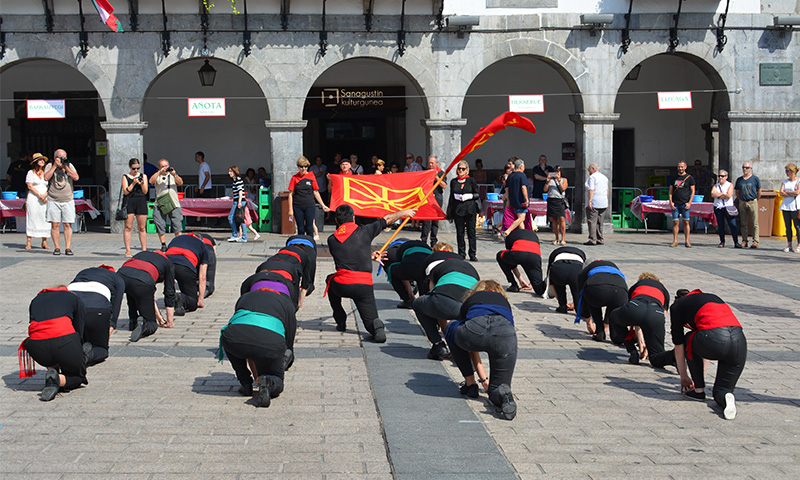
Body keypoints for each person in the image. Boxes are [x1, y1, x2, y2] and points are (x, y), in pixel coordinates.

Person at [327, 205, 416, 342]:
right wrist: (404, 212)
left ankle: (340, 320)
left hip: (342, 284)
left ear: (336, 221)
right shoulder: (365, 231)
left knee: (329, 280)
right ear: (354, 218)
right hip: (364, 285)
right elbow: (387, 219)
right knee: (371, 321)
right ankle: (376, 327)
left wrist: (369, 256)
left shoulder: (332, 240)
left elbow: (348, 256)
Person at [444, 280, 517, 420]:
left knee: (452, 327)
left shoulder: (472, 299)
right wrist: (485, 381)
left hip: (474, 331)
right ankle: (504, 395)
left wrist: (478, 379)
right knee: (497, 388)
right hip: (504, 336)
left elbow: (469, 341)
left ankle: (470, 383)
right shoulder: (503, 302)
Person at [670, 289, 747, 420]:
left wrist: (684, 376)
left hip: (714, 338)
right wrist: (700, 372)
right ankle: (727, 398)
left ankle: (699, 391)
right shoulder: (712, 297)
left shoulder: (677, 306)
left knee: (689, 338)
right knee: (721, 390)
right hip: (739, 341)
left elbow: (679, 345)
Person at [218, 288, 297, 408]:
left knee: (235, 346)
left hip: (234, 336)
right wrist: (282, 362)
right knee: (278, 381)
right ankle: (269, 383)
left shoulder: (245, 297)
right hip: (270, 340)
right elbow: (289, 341)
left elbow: (241, 322)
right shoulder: (285, 302)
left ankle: (245, 384)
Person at [18, 286, 87, 401]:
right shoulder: (73, 297)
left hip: (36, 347)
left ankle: (52, 370)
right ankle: (58, 380)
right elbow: (79, 329)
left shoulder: (36, 299)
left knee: (49, 340)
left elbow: (33, 326)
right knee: (78, 377)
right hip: (65, 342)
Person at [413, 250, 480, 360]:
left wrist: (436, 315)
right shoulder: (470, 267)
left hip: (445, 299)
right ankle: (464, 351)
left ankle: (437, 345)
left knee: (418, 304)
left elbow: (432, 292)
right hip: (469, 307)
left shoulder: (436, 268)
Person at [609, 272, 674, 368]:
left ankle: (632, 351)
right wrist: (649, 343)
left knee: (614, 316)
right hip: (656, 313)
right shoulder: (663, 290)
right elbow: (662, 317)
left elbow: (636, 320)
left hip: (636, 307)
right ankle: (673, 356)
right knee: (656, 357)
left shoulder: (636, 286)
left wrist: (641, 342)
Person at [67, 265, 126, 365]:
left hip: (71, 303)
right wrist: (111, 327)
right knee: (101, 349)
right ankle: (89, 355)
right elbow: (116, 306)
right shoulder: (117, 278)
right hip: (97, 306)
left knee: (77, 341)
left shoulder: (84, 271)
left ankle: (72, 353)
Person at [118, 250, 177, 341]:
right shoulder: (168, 264)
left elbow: (148, 297)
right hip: (143, 281)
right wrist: (169, 321)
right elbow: (169, 293)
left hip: (122, 275)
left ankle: (133, 320)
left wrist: (159, 315)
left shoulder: (142, 254)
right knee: (152, 324)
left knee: (132, 291)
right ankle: (145, 326)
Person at [576, 259, 627, 341]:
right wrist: (607, 323)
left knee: (592, 300)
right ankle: (617, 337)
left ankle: (600, 332)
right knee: (613, 304)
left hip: (597, 290)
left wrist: (589, 322)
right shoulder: (613, 266)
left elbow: (583, 299)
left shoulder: (584, 272)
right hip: (620, 293)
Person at [44, 148, 79, 256]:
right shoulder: (50, 166)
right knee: (55, 224)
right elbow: (46, 178)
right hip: (53, 199)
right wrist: (55, 166)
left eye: (64, 157)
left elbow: (76, 177)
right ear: (55, 158)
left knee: (67, 224)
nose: (63, 159)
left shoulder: (69, 165)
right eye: (60, 157)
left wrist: (66, 168)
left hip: (67, 199)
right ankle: (57, 247)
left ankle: (68, 247)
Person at [381, 239, 432, 309]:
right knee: (423, 275)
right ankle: (424, 301)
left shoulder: (393, 253)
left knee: (392, 270)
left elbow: (403, 274)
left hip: (409, 265)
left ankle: (408, 301)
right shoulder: (425, 247)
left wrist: (410, 295)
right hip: (426, 266)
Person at [166, 233, 208, 315]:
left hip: (167, 264)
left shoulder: (177, 238)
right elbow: (202, 277)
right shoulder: (202, 246)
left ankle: (172, 299)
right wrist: (200, 300)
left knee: (169, 280)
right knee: (192, 303)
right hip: (185, 267)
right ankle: (182, 298)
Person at [496, 228, 546, 295]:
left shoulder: (511, 236)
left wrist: (520, 279)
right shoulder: (533, 235)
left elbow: (511, 264)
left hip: (517, 254)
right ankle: (550, 284)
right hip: (534, 257)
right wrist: (532, 282)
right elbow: (534, 264)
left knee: (500, 255)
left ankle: (513, 285)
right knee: (539, 289)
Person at [288, 156, 330, 237]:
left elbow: (316, 191)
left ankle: (310, 245)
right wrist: (290, 209)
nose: (303, 168)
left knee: (310, 227)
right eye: (301, 166)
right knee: (300, 228)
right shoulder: (294, 178)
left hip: (309, 205)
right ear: (298, 167)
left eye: (305, 166)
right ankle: (301, 245)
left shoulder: (311, 176)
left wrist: (323, 205)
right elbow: (290, 194)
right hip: (298, 205)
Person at [148, 159, 184, 252]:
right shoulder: (157, 176)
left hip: (174, 203)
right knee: (160, 224)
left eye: (166, 166)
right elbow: (151, 181)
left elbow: (180, 182)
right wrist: (159, 172)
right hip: (160, 203)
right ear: (159, 167)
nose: (165, 168)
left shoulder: (172, 175)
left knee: (177, 224)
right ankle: (163, 244)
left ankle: (178, 243)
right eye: (163, 166)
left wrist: (174, 174)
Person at [447, 160, 479, 261]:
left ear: (467, 170)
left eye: (463, 169)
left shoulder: (471, 180)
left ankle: (472, 253)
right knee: (460, 233)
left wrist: (469, 196)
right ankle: (461, 253)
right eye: (459, 168)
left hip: (470, 209)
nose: (461, 170)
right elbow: (451, 197)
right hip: (458, 210)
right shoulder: (454, 181)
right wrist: (450, 212)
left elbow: (477, 194)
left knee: (471, 232)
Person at [122, 158, 149, 256]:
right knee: (128, 226)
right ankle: (128, 250)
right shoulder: (125, 177)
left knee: (142, 227)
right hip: (129, 201)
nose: (136, 170)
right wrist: (133, 183)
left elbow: (145, 191)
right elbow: (126, 191)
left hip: (141, 200)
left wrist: (141, 184)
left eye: (138, 168)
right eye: (134, 168)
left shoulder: (143, 176)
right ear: (130, 167)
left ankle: (144, 250)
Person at [546, 246, 586, 314]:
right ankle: (579, 309)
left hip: (559, 270)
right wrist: (574, 303)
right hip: (576, 271)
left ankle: (562, 306)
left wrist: (559, 300)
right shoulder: (582, 254)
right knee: (577, 290)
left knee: (558, 284)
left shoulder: (554, 254)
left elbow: (551, 283)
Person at [24, 153, 50, 250]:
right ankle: (29, 241)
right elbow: (30, 186)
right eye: (40, 160)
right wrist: (39, 195)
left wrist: (45, 195)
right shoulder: (31, 173)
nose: (42, 161)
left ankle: (44, 241)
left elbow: (50, 186)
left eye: (43, 160)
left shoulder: (46, 173)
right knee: (32, 217)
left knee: (44, 218)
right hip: (34, 198)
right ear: (36, 162)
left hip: (45, 197)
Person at [734, 162, 761, 248]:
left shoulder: (755, 179)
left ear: (750, 169)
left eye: (747, 167)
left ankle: (755, 241)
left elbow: (759, 190)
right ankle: (744, 240)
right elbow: (737, 191)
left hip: (752, 201)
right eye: (743, 167)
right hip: (742, 201)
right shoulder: (739, 180)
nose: (745, 169)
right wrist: (740, 199)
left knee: (754, 222)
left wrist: (756, 198)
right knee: (743, 222)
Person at [668, 160, 695, 248]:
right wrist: (671, 202)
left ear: (685, 167)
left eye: (682, 167)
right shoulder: (674, 178)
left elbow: (693, 191)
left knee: (686, 221)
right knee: (675, 222)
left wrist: (689, 203)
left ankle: (687, 241)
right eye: (679, 167)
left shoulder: (689, 178)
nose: (680, 168)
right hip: (675, 203)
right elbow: (670, 191)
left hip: (685, 203)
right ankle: (675, 241)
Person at [711, 169, 741, 248]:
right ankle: (722, 241)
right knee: (721, 225)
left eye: (722, 176)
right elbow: (712, 194)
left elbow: (729, 195)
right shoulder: (716, 185)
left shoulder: (729, 185)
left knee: (732, 224)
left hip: (728, 207)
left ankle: (736, 242)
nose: (720, 178)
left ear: (726, 177)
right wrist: (722, 194)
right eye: (719, 176)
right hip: (718, 207)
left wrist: (718, 195)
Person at [420, 156, 445, 247]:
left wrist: (437, 178)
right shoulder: (426, 172)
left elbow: (444, 185)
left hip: (437, 198)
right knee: (426, 221)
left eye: (432, 163)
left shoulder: (441, 172)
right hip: (427, 198)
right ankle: (423, 239)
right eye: (429, 163)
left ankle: (433, 240)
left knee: (435, 221)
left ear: (436, 163)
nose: (430, 165)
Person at [584, 162, 609, 246]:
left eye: (589, 169)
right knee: (600, 222)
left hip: (595, 201)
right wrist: (605, 198)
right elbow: (607, 190)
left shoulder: (592, 177)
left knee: (592, 221)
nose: (588, 171)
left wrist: (590, 201)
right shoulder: (604, 177)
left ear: (593, 169)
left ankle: (592, 239)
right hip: (603, 201)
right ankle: (600, 238)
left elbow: (591, 189)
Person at [778, 163, 800, 253]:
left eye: (787, 171)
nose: (786, 172)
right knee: (788, 226)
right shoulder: (785, 181)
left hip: (794, 207)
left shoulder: (798, 181)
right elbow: (781, 192)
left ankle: (799, 245)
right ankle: (789, 244)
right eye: (785, 171)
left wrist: (787, 192)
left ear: (792, 171)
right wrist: (791, 192)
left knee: (797, 227)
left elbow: (797, 192)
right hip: (785, 206)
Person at [546, 165, 568, 245]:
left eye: (558, 172)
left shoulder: (564, 180)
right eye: (555, 172)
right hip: (552, 200)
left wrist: (558, 180)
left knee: (561, 218)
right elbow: (545, 189)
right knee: (554, 219)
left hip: (559, 200)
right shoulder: (550, 180)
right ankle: (556, 237)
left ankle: (563, 238)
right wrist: (547, 180)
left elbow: (563, 188)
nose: (556, 173)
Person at [227, 165, 248, 243]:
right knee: (240, 219)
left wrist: (239, 201)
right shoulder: (236, 180)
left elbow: (240, 191)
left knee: (233, 217)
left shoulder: (237, 180)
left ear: (234, 172)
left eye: (230, 171)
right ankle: (241, 236)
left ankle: (236, 235)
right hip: (238, 201)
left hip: (238, 201)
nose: (229, 173)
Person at [196, 233, 217, 297]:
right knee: (210, 275)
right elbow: (214, 249)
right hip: (210, 252)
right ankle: (209, 289)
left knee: (198, 272)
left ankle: (198, 286)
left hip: (198, 253)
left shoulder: (191, 238)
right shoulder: (209, 237)